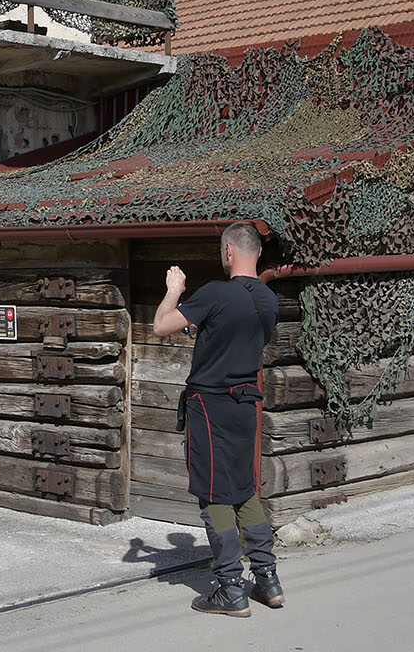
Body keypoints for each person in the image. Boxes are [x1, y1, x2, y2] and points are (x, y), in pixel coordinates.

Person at [153, 220, 282, 617]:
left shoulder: (215, 293)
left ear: (228, 251)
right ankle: (267, 580)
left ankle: (230, 588)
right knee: (244, 489)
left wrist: (174, 291)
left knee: (214, 494)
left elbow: (161, 325)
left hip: (211, 406)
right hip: (247, 404)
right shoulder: (268, 300)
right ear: (257, 252)